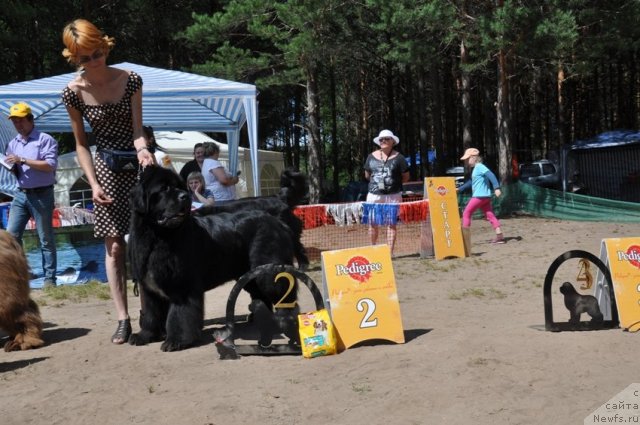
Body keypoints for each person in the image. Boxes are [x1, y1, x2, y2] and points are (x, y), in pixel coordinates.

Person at [61, 19, 156, 344]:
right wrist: (93, 182)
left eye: (97, 53)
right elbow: (81, 143)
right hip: (104, 167)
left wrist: (144, 150)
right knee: (114, 246)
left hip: (137, 160)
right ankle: (122, 317)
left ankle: (150, 311)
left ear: (105, 45)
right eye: (85, 58)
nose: (93, 61)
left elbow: (137, 130)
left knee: (145, 241)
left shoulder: (130, 80)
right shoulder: (72, 94)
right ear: (75, 58)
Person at [4, 102, 59, 288]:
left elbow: (50, 165)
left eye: (20, 121)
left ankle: (50, 280)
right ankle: (18, 277)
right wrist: (11, 167)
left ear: (30, 119)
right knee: (11, 236)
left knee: (45, 238)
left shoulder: (45, 140)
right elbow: (17, 169)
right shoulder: (12, 143)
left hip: (43, 194)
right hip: (20, 194)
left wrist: (23, 160)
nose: (18, 125)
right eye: (14, 122)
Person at [363, 129, 409, 256]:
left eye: (386, 139)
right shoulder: (370, 157)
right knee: (372, 224)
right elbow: (367, 175)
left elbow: (405, 176)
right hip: (374, 195)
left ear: (393, 141)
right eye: (381, 139)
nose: (383, 141)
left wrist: (394, 185)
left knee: (391, 224)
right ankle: (373, 249)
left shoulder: (400, 158)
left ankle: (389, 253)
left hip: (393, 195)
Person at [456, 148, 505, 244]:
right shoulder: (476, 170)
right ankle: (499, 236)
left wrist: (496, 187)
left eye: (467, 159)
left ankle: (465, 239)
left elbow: (491, 175)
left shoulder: (479, 166)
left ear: (474, 158)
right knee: (490, 214)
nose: (466, 162)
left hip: (479, 196)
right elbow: (471, 182)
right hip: (485, 197)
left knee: (466, 213)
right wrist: (459, 189)